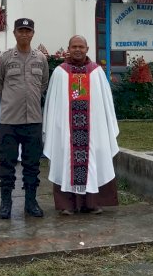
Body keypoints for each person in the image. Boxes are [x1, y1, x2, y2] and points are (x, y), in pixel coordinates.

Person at [43, 35, 119, 215]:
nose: (78, 50)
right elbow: (52, 105)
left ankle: (92, 203)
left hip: (92, 130)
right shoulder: (60, 72)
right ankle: (67, 205)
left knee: (94, 160)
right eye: (74, 46)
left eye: (81, 47)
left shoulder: (96, 72)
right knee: (66, 160)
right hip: (66, 130)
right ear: (68, 49)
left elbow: (106, 103)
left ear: (87, 49)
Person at [0, 18, 49, 219]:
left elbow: (43, 84)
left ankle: (31, 202)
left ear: (33, 33)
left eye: (28, 30)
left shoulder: (41, 59)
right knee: (6, 165)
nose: (24, 34)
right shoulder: (5, 57)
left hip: (33, 120)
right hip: (10, 121)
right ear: (15, 33)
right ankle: (5, 203)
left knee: (32, 164)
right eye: (20, 30)